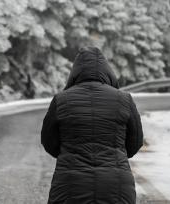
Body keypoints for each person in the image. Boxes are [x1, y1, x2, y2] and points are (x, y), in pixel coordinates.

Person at [40, 47, 143, 204]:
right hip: (116, 184)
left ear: (75, 73)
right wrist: (116, 155)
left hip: (70, 184)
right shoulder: (124, 99)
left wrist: (69, 154)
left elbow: (48, 141)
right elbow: (135, 143)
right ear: (108, 71)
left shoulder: (62, 100)